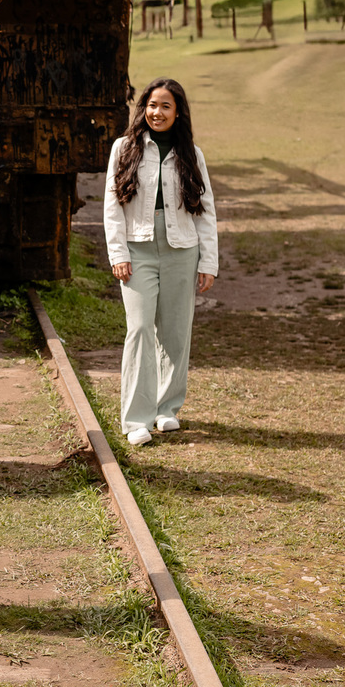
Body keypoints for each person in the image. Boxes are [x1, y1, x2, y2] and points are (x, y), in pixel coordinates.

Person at [102, 77, 218, 446]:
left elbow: (206, 211)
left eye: (165, 106)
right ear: (143, 109)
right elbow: (111, 207)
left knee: (175, 331)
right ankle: (136, 419)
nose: (157, 112)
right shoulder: (124, 148)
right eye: (152, 105)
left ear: (178, 112)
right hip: (138, 249)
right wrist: (118, 254)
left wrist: (208, 262)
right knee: (139, 330)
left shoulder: (192, 154)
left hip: (181, 250)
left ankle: (166, 409)